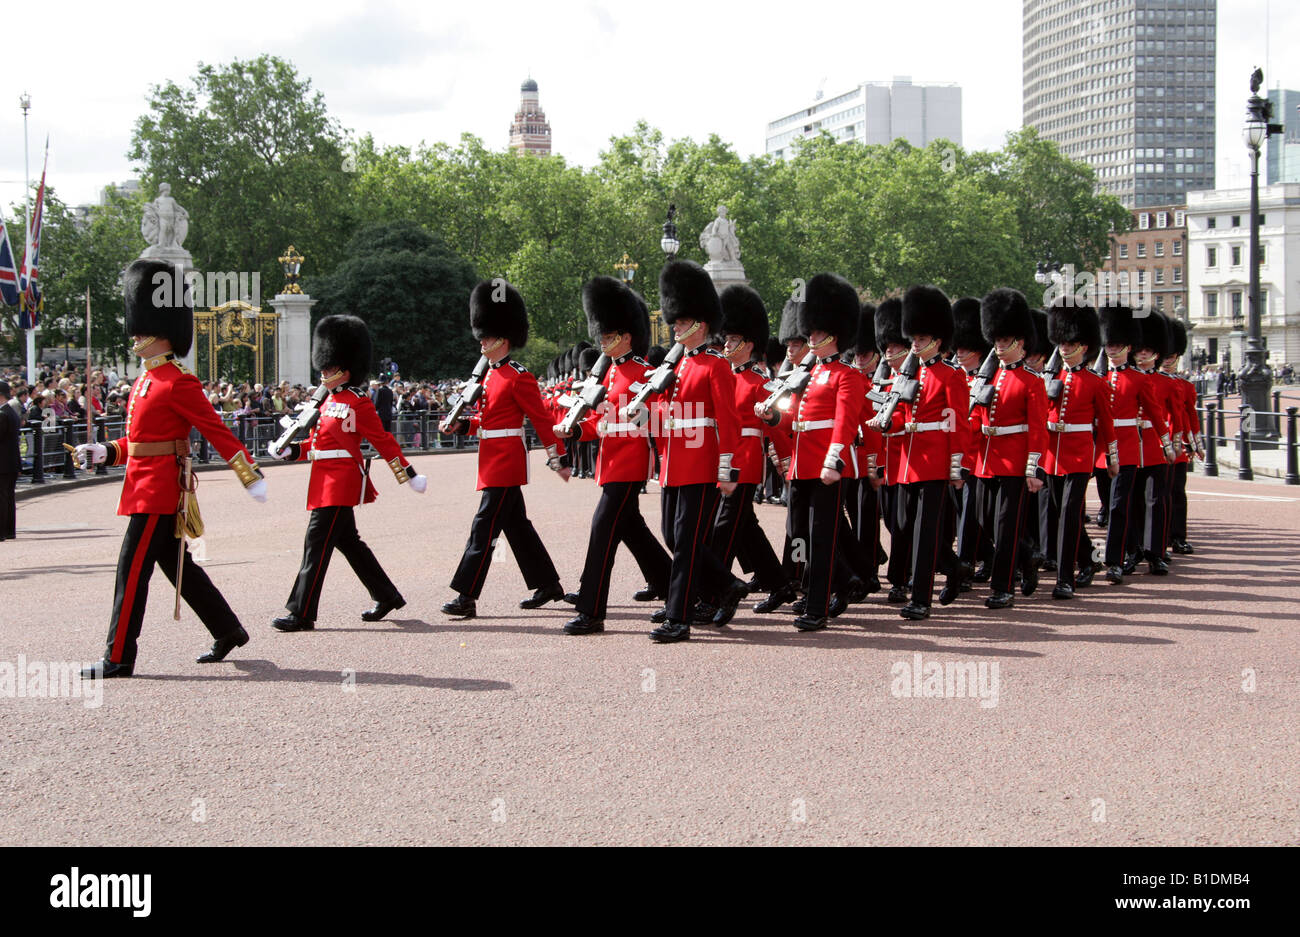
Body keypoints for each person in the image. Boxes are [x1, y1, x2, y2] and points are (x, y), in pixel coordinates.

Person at [74, 259, 268, 678]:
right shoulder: (146, 381)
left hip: (159, 492)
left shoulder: (179, 381)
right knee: (178, 566)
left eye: (143, 329)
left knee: (131, 573)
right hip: (141, 486)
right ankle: (228, 629)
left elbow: (215, 428)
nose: (136, 335)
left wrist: (247, 473)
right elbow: (141, 442)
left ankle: (118, 656)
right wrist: (105, 451)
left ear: (162, 332)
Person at [268, 315, 426, 631]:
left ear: (345, 368)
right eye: (324, 367)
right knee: (349, 542)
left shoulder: (358, 402)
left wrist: (406, 473)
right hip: (322, 479)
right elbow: (315, 445)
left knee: (316, 543)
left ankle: (301, 612)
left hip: (340, 482)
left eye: (329, 367)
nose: (324, 371)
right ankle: (387, 595)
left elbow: (382, 440)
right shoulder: (324, 403)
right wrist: (291, 451)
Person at [439, 280, 571, 620]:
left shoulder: (518, 376)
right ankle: (548, 584)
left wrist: (557, 457)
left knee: (483, 528)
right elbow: (487, 420)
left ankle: (466, 595)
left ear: (504, 338)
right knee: (517, 527)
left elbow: (541, 419)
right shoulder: (488, 376)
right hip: (490, 459)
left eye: (487, 335)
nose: (481, 340)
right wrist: (463, 425)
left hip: (507, 462)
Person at [555, 277, 671, 635]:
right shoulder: (607, 373)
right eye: (602, 337)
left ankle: (592, 610)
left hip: (630, 463)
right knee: (634, 532)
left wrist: (642, 417)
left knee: (601, 530)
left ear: (627, 336)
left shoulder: (645, 374)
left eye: (609, 337)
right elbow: (597, 423)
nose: (603, 342)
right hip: (610, 461)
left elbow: (658, 420)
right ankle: (679, 588)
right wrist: (574, 430)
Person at [642, 260, 747, 643]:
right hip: (675, 462)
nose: (674, 327)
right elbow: (666, 414)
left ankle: (679, 615)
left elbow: (728, 420)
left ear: (699, 325)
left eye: (681, 322)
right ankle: (727, 585)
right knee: (673, 536)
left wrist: (726, 468)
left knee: (685, 542)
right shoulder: (679, 364)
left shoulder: (715, 364)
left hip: (702, 462)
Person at [759, 273, 864, 631]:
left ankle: (817, 606)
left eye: (817, 334)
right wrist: (773, 415)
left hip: (828, 464)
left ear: (834, 335)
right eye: (812, 333)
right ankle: (829, 585)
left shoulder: (847, 376)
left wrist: (834, 459)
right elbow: (795, 417)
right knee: (799, 533)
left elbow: (845, 422)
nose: (811, 339)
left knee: (822, 536)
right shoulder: (808, 374)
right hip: (802, 462)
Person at [874, 286, 970, 620]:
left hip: (934, 460)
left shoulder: (952, 376)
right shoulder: (908, 373)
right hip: (907, 460)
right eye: (913, 337)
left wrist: (957, 465)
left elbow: (959, 422)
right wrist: (886, 423)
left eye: (922, 337)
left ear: (938, 340)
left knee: (925, 531)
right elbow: (901, 412)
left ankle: (921, 599)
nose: (915, 343)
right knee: (904, 525)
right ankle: (954, 568)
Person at [703, 284, 793, 623]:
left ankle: (716, 596)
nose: (726, 345)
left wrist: (785, 460)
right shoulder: (725, 374)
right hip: (727, 460)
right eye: (726, 340)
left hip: (748, 462)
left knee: (724, 528)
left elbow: (776, 424)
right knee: (746, 528)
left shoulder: (761, 381)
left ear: (749, 345)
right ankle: (780, 584)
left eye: (733, 341)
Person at [969, 289, 1048, 610]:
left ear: (1021, 343)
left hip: (1014, 461)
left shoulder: (1032, 381)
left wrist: (1033, 467)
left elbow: (1038, 427)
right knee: (983, 518)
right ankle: (1027, 556)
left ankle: (1003, 588)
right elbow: (974, 416)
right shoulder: (989, 376)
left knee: (1004, 525)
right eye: (997, 341)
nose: (1000, 347)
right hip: (985, 459)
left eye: (1006, 341)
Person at [1041, 301, 1116, 599]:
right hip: (1052, 454)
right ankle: (1087, 559)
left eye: (1070, 344)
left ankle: (1065, 578)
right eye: (1061, 343)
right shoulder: (1052, 378)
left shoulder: (1096, 382)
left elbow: (1106, 424)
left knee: (1071, 514)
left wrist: (1111, 456)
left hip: (1079, 453)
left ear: (1083, 347)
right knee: (1060, 514)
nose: (1064, 349)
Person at [0, 382, 18, 540]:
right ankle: (9, 530)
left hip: (3, 462)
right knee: (9, 497)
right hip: (11, 461)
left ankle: (2, 532)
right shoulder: (11, 411)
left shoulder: (2, 413)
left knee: (2, 497)